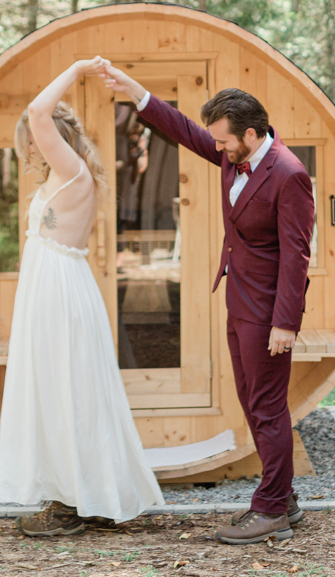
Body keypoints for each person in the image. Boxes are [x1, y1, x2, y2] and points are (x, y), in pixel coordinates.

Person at [102, 63, 314, 545]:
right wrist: (136, 92)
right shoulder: (231, 154)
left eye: (224, 141)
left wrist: (286, 323)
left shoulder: (289, 174)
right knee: (250, 400)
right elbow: (184, 130)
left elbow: (297, 256)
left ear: (253, 134)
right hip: (238, 300)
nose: (216, 147)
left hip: (267, 313)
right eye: (217, 141)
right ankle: (283, 495)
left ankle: (271, 510)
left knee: (267, 407)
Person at [0, 57, 163, 537]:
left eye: (31, 139)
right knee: (62, 387)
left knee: (65, 386)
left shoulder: (70, 170)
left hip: (59, 289)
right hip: (55, 285)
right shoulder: (65, 174)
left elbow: (36, 111)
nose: (28, 147)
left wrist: (74, 69)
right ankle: (83, 495)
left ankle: (72, 501)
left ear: (48, 137)